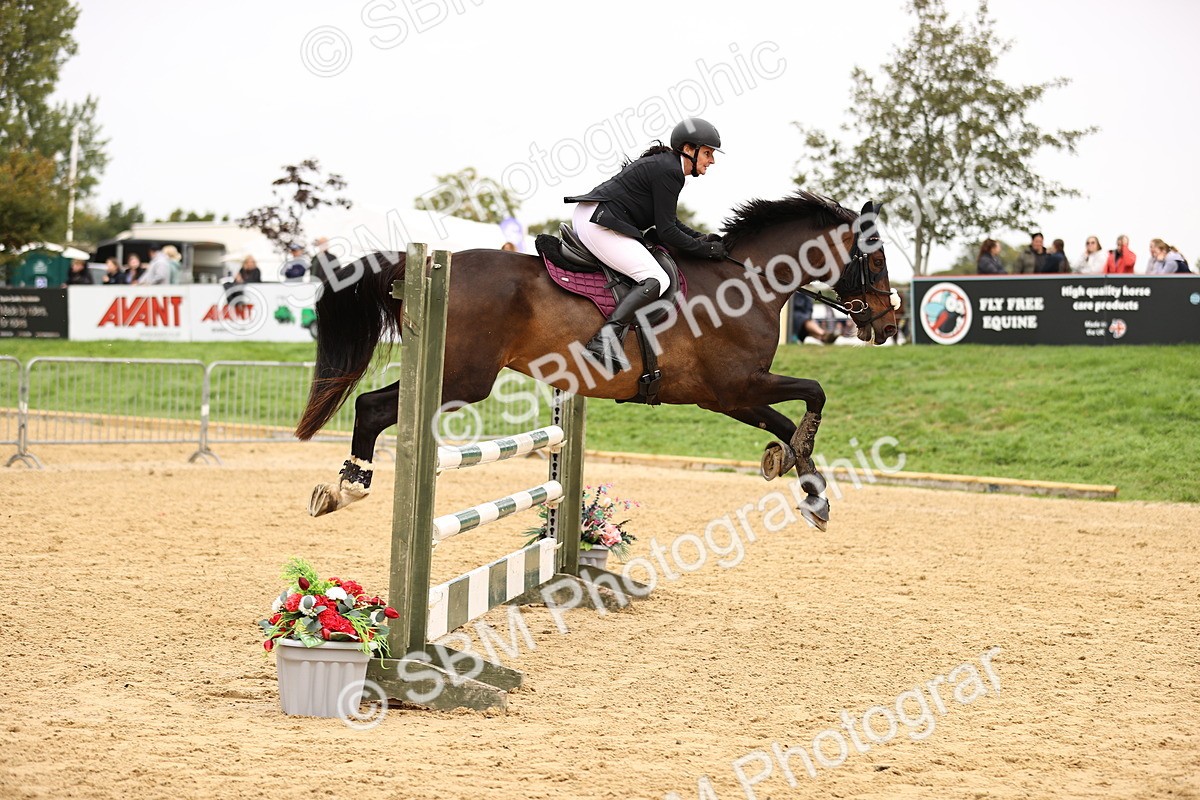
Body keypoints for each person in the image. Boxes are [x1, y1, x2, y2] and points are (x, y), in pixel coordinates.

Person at [564, 117, 727, 371]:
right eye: (707, 153)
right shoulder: (670, 171)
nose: (712, 160)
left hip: (595, 216)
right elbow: (667, 232)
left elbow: (669, 223)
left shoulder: (668, 167)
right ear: (688, 150)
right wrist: (705, 250)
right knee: (656, 278)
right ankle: (603, 341)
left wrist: (702, 238)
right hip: (598, 222)